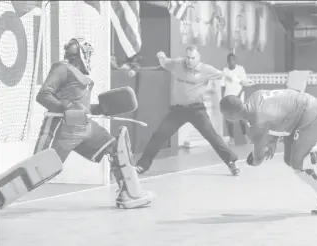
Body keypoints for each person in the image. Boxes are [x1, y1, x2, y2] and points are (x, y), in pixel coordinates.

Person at [31, 38, 152, 209]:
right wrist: (68, 111)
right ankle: (2, 193)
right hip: (66, 128)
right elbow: (43, 95)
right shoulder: (62, 68)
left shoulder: (76, 73)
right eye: (89, 54)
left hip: (84, 126)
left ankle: (129, 194)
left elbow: (80, 107)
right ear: (81, 54)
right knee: (40, 171)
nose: (90, 58)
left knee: (117, 148)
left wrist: (100, 108)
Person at [135, 45, 250, 176]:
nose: (190, 60)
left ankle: (231, 162)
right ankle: (142, 165)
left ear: (198, 57)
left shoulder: (206, 69)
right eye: (188, 57)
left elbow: (224, 75)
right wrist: (161, 56)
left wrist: (240, 81)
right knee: (159, 135)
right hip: (178, 111)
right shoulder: (178, 64)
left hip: (197, 110)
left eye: (193, 58)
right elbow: (165, 62)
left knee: (212, 137)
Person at [220, 89, 317, 214]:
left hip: (309, 113)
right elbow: (278, 117)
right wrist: (272, 141)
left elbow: (258, 158)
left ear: (231, 116)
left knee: (297, 162)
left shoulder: (259, 116)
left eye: (225, 116)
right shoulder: (254, 98)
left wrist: (255, 158)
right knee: (289, 160)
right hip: (297, 113)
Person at [222, 53, 255, 146]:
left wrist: (238, 95)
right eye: (229, 60)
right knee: (229, 119)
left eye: (233, 60)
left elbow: (244, 84)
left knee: (241, 118)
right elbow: (223, 86)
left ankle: (246, 137)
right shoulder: (225, 71)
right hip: (228, 98)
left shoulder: (240, 69)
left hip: (239, 97)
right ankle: (231, 139)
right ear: (227, 61)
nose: (231, 62)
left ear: (235, 60)